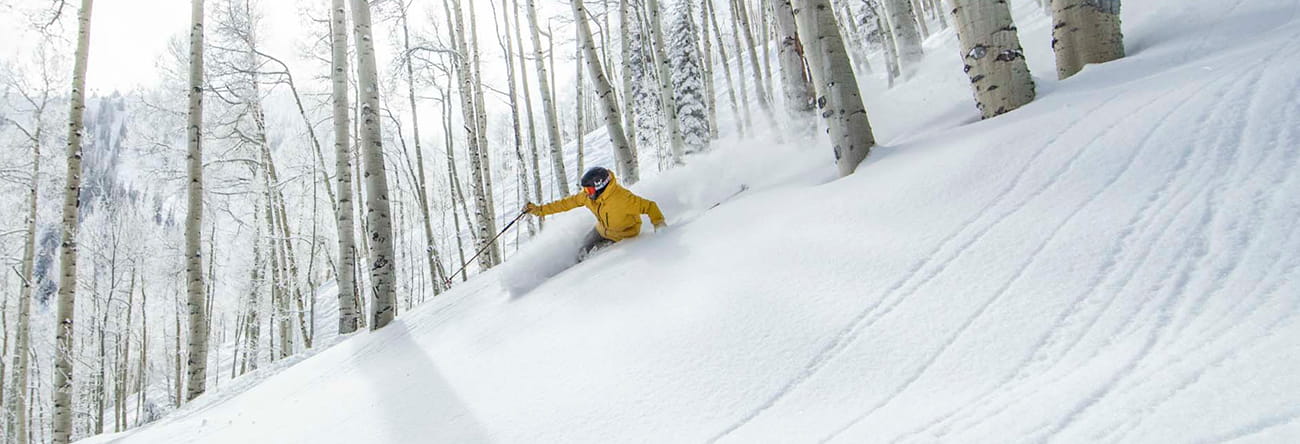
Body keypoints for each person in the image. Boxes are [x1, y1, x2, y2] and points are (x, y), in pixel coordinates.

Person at [526, 167, 666, 259]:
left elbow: (650, 206)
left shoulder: (622, 199)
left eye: (590, 190)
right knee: (581, 250)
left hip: (623, 235)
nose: (586, 193)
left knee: (593, 256)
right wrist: (540, 210)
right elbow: (566, 204)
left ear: (601, 186)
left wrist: (659, 224)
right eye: (585, 190)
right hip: (601, 229)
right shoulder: (588, 197)